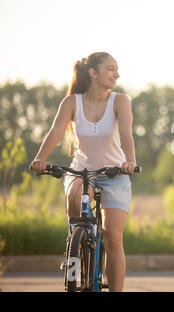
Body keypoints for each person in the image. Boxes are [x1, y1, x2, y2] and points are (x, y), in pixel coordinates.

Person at [30, 52, 136, 292]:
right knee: (77, 221)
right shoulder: (71, 102)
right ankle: (74, 252)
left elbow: (127, 133)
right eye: (111, 69)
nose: (116, 74)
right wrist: (40, 158)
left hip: (114, 174)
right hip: (81, 171)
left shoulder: (120, 101)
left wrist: (130, 161)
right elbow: (55, 132)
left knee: (112, 238)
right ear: (93, 72)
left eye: (117, 69)